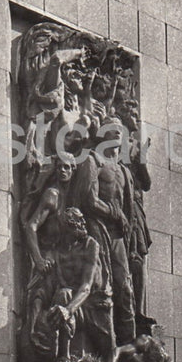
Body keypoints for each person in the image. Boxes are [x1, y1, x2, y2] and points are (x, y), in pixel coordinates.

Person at [71, 114, 136, 347]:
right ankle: (101, 346)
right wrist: (113, 213)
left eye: (120, 128)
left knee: (125, 287)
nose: (117, 131)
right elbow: (88, 199)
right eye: (111, 127)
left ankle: (128, 344)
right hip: (96, 228)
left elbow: (129, 212)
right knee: (102, 286)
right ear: (102, 134)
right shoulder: (92, 160)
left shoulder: (125, 172)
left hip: (118, 236)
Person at [46, 207, 117, 362]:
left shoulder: (91, 245)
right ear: (66, 228)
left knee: (109, 346)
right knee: (63, 294)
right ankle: (63, 356)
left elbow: (86, 286)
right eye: (78, 222)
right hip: (73, 304)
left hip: (96, 304)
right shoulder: (57, 252)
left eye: (82, 220)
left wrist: (67, 310)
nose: (84, 224)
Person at [22, 153, 76, 353]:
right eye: (60, 167)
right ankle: (36, 343)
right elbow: (31, 226)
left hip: (65, 261)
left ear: (73, 170)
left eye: (67, 168)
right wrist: (38, 259)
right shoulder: (52, 195)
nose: (63, 171)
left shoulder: (73, 197)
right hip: (48, 258)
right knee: (39, 299)